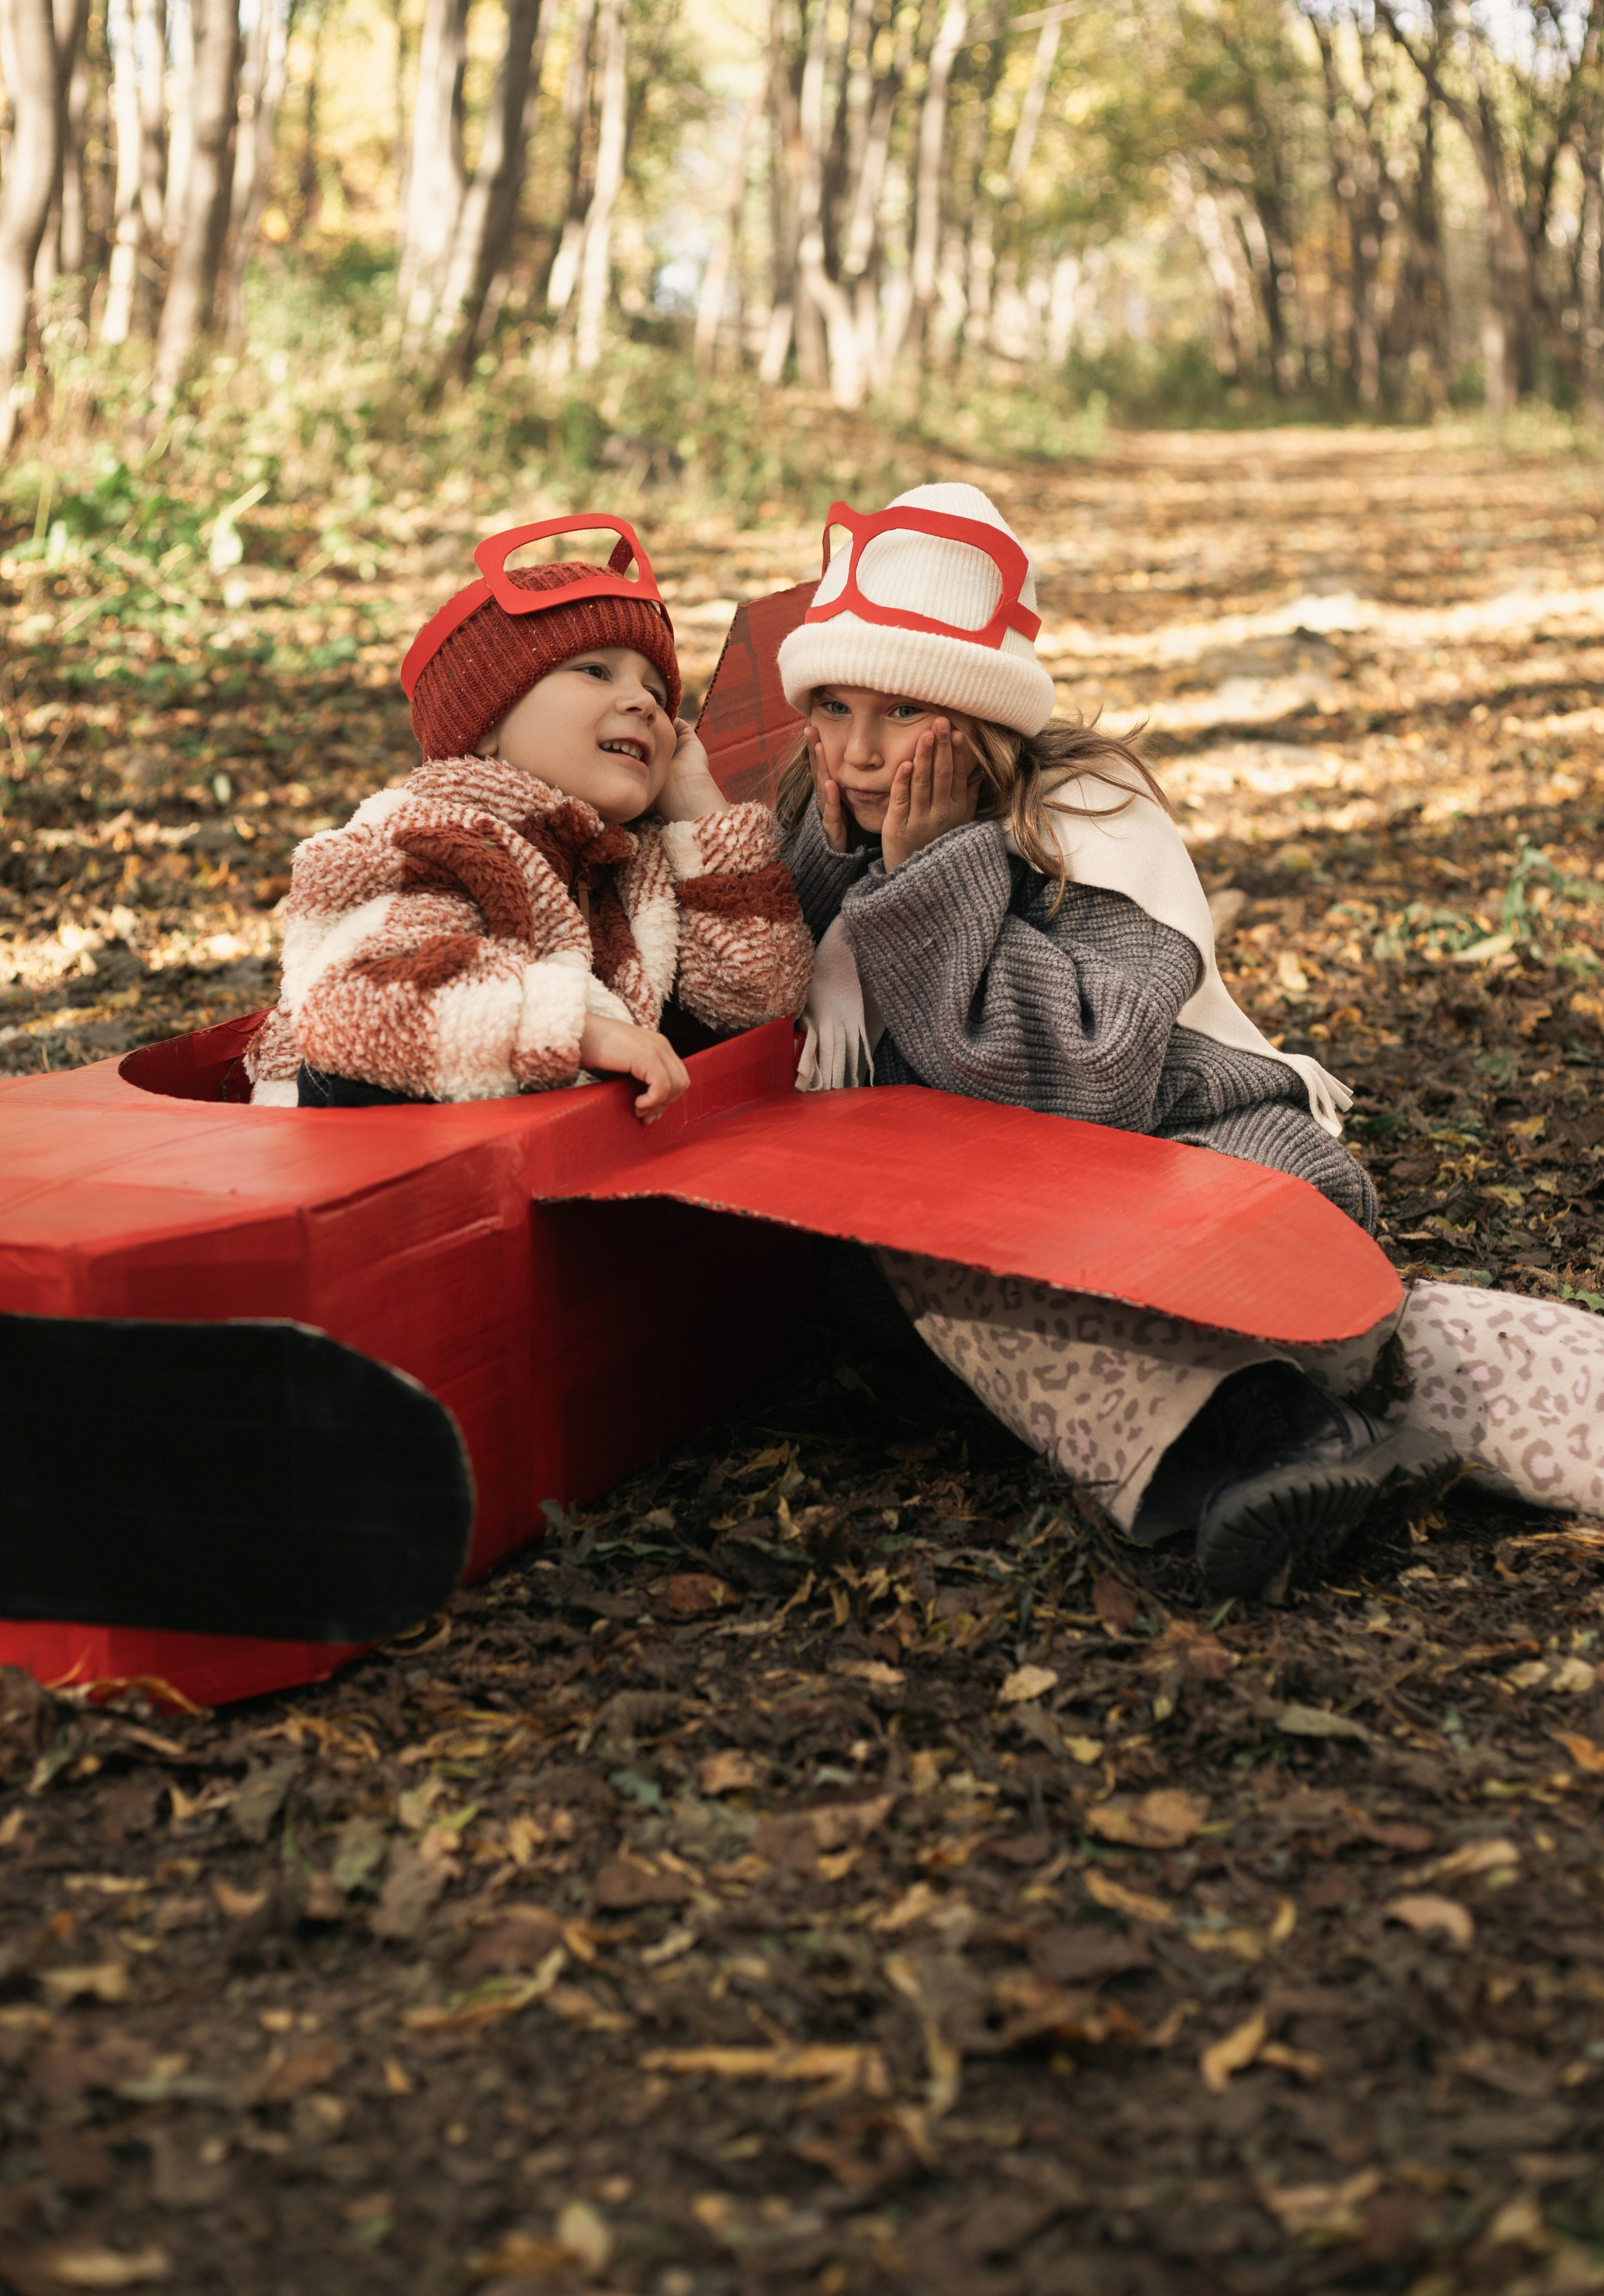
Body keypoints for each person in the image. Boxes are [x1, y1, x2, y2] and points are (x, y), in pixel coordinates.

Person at [776, 482, 1604, 1592]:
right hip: (1056, 1225)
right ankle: (1332, 1422)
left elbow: (1086, 1087)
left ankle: (1277, 1435)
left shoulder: (1087, 818)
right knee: (911, 1280)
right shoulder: (836, 819)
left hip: (1213, 1183)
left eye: (905, 712)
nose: (864, 754)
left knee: (1001, 1273)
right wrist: (844, 863)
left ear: (982, 720)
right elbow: (784, 986)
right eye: (834, 708)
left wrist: (930, 881)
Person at [246, 516, 811, 1118]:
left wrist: (700, 806)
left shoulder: (635, 866)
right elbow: (358, 997)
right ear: (486, 724)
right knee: (387, 1050)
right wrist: (583, 1031)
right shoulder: (433, 834)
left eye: (657, 692)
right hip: (357, 1151)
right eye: (595, 671)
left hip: (548, 1146)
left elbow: (759, 1000)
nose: (643, 702)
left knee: (698, 1026)